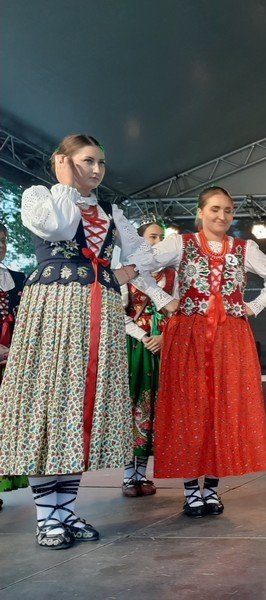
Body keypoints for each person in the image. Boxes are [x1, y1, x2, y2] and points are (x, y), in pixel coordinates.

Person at [0, 134, 177, 549]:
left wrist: (127, 274)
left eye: (101, 162)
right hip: (54, 308)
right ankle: (47, 516)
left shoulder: (110, 211)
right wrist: (65, 182)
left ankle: (65, 510)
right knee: (51, 404)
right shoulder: (40, 195)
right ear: (63, 161)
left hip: (99, 310)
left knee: (82, 407)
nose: (97, 170)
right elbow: (59, 227)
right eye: (87, 161)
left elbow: (145, 255)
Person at [150, 186, 266, 518]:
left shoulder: (243, 248)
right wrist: (164, 300)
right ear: (200, 212)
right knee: (189, 407)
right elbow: (136, 266)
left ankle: (211, 488)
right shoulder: (180, 243)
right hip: (189, 335)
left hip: (230, 335)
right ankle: (190, 491)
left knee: (223, 407)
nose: (221, 216)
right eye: (215, 209)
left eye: (227, 210)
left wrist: (251, 307)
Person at [120, 221, 178, 497]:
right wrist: (144, 336)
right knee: (133, 406)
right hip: (135, 348)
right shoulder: (126, 273)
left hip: (166, 348)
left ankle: (143, 474)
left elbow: (179, 311)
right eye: (152, 237)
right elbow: (117, 313)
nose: (157, 241)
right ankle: (128, 477)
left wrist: (164, 337)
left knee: (157, 408)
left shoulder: (173, 274)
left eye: (161, 237)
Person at [0, 222, 28, 509]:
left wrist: (17, 349)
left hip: (12, 360)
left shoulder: (19, 279)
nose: (0, 245)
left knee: (6, 422)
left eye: (3, 240)